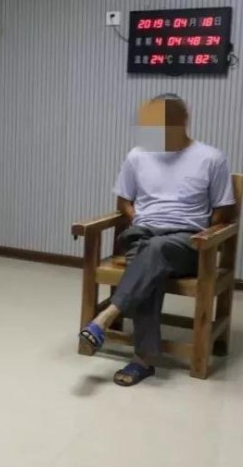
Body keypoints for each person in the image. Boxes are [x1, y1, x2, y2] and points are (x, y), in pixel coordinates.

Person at [79, 94, 235, 386]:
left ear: (183, 121)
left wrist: (201, 234)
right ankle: (142, 359)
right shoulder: (137, 156)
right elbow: (124, 202)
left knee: (154, 252)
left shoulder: (211, 158)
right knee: (150, 256)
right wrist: (140, 219)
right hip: (143, 236)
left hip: (188, 242)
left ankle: (107, 318)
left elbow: (223, 210)